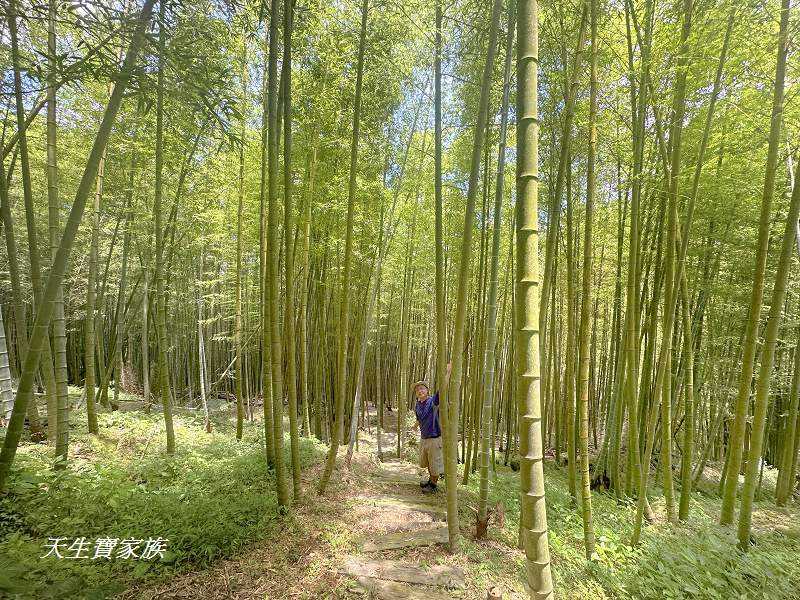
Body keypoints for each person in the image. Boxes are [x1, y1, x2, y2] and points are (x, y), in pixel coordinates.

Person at [413, 361, 451, 494]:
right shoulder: (418, 405)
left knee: (434, 464)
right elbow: (419, 418)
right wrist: (415, 425)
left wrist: (448, 373)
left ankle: (433, 485)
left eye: (422, 388)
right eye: (417, 390)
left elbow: (443, 389)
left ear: (427, 390)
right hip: (424, 438)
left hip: (435, 438)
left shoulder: (433, 401)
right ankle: (431, 480)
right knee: (427, 462)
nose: (420, 391)